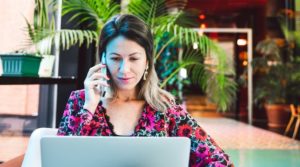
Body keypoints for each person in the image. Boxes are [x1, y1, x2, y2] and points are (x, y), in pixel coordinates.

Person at [56, 14, 233, 167]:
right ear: (103, 59)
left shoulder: (165, 109)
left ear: (147, 61)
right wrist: (89, 107)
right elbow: (59, 161)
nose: (125, 69)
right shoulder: (80, 102)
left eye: (134, 58)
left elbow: (218, 160)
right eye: (116, 58)